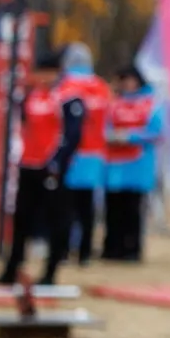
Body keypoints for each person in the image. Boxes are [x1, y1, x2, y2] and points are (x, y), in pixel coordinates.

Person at [0, 47, 84, 286]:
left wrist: (56, 163)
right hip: (29, 164)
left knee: (56, 219)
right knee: (22, 218)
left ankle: (50, 271)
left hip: (52, 167)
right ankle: (12, 267)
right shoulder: (33, 95)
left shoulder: (67, 96)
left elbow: (72, 135)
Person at [101, 65, 164, 262]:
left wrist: (131, 137)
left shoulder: (150, 104)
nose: (127, 84)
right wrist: (110, 136)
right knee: (112, 210)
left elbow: (157, 132)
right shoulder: (114, 104)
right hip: (114, 165)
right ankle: (112, 248)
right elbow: (104, 126)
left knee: (133, 211)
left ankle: (132, 250)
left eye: (130, 80)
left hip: (137, 167)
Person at [55, 42, 108, 268]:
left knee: (65, 207)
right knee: (87, 208)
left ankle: (64, 251)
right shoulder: (101, 87)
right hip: (95, 155)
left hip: (69, 154)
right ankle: (84, 253)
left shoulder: (64, 86)